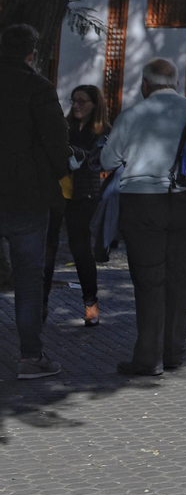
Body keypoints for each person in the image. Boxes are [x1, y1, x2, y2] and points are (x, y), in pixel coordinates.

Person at [98, 59, 186, 376]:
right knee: (181, 279)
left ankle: (148, 358)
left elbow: (107, 158)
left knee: (149, 281)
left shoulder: (133, 114)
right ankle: (173, 353)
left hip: (142, 202)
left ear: (145, 83)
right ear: (175, 82)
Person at [0, 24, 70, 379]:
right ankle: (30, 357)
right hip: (27, 197)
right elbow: (57, 143)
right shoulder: (38, 88)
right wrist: (63, 177)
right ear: (32, 54)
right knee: (29, 282)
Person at [43, 85, 111, 328]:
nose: (77, 105)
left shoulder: (103, 131)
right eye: (74, 101)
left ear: (95, 104)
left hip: (85, 196)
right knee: (47, 250)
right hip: (57, 193)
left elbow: (100, 161)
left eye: (83, 101)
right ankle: (41, 304)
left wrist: (76, 153)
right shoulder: (65, 126)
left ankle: (91, 305)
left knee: (80, 250)